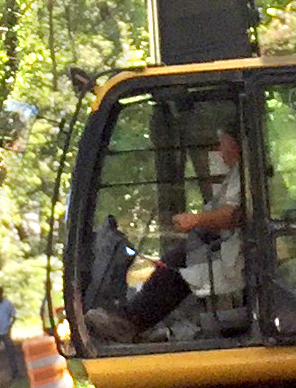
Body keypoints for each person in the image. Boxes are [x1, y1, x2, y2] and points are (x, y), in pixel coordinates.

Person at [88, 124, 245, 341]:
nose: (220, 149)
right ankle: (132, 317)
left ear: (235, 143)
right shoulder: (238, 174)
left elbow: (231, 215)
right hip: (228, 250)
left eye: (223, 143)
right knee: (176, 258)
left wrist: (196, 219)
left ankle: (131, 323)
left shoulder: (246, 172)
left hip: (241, 259)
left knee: (174, 272)